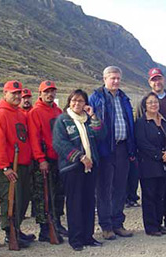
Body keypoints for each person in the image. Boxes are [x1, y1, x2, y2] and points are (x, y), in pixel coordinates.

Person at [53, 89, 104, 251]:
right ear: (69, 101)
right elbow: (59, 144)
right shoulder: (63, 120)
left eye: (81, 101)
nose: (77, 103)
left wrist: (94, 116)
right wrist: (81, 157)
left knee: (89, 202)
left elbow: (101, 135)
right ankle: (76, 239)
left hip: (90, 168)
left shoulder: (88, 119)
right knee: (75, 203)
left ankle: (88, 236)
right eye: (74, 100)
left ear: (85, 103)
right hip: (73, 168)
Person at [89, 66, 136, 240]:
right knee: (104, 189)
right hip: (105, 150)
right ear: (104, 78)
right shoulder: (96, 98)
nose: (115, 81)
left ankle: (118, 224)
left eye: (118, 78)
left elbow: (129, 121)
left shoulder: (124, 98)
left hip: (123, 148)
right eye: (112, 78)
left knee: (120, 189)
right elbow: (90, 125)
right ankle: (106, 226)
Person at [136, 68, 166, 230]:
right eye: (153, 80)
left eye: (159, 79)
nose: (157, 82)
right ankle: (154, 222)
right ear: (149, 82)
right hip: (152, 156)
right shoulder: (143, 102)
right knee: (153, 191)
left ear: (163, 80)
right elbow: (139, 128)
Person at [0, 80, 34, 249]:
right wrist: (4, 167)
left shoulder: (19, 114)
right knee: (10, 200)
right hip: (10, 167)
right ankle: (10, 233)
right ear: (5, 94)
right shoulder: (1, 115)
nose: (17, 96)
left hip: (23, 164)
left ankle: (17, 228)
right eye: (13, 93)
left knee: (22, 199)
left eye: (19, 93)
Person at [27, 81, 67, 242]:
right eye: (46, 92)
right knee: (44, 195)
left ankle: (57, 223)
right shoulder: (35, 112)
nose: (50, 94)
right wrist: (40, 159)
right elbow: (34, 138)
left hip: (58, 159)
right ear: (40, 94)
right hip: (44, 160)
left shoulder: (57, 111)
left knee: (58, 194)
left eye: (52, 91)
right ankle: (45, 229)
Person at [135, 92, 166, 236]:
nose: (154, 105)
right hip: (149, 165)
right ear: (145, 106)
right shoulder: (141, 123)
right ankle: (151, 227)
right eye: (150, 102)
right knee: (149, 196)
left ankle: (159, 224)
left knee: (161, 195)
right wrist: (160, 155)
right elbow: (142, 143)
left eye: (155, 102)